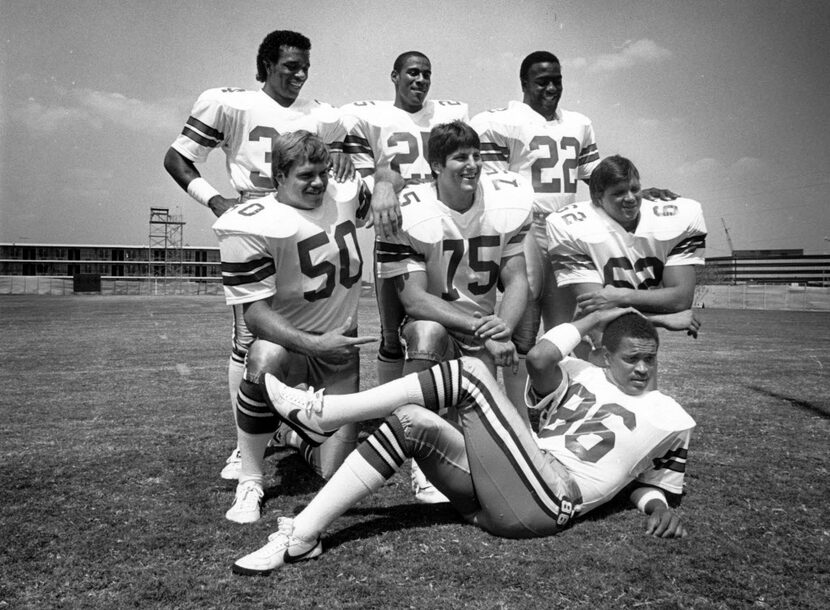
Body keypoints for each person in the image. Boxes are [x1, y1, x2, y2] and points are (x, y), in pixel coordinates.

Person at [230, 307, 694, 576]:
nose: (642, 369)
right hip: (509, 484)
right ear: (603, 353)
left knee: (471, 374)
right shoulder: (581, 372)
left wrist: (657, 506)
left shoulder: (672, 415)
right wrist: (601, 311)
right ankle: (303, 534)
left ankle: (326, 413)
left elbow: (651, 480)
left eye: (649, 359)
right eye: (631, 358)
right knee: (411, 420)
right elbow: (540, 357)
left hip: (553, 500)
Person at [163, 30, 352, 482]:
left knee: (307, 323)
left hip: (307, 221)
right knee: (249, 335)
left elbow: (343, 160)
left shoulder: (323, 115)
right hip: (257, 216)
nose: (300, 75)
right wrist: (214, 200)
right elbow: (178, 157)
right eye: (290, 66)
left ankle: (291, 426)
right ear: (266, 65)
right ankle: (245, 444)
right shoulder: (230, 104)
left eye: (306, 66)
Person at [470, 51, 676, 407]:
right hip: (526, 226)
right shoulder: (499, 122)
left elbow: (597, 180)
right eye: (542, 81)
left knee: (571, 328)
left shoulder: (579, 123)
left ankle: (567, 410)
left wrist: (637, 189)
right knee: (524, 325)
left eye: (557, 80)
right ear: (523, 84)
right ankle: (520, 420)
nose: (551, 87)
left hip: (567, 230)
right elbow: (490, 184)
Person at [212, 131, 382, 524]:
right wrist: (314, 345)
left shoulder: (345, 194)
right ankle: (250, 481)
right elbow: (255, 314)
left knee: (332, 472)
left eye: (323, 172)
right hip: (290, 348)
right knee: (262, 353)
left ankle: (291, 434)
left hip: (338, 353)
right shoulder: (254, 223)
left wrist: (386, 178)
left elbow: (388, 176)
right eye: (306, 175)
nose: (319, 182)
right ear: (279, 178)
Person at [376, 120, 531, 501]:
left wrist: (501, 329)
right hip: (442, 328)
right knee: (426, 331)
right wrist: (486, 330)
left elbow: (518, 280)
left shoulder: (503, 203)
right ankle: (420, 457)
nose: (473, 165)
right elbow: (413, 300)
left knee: (489, 453)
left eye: (477, 156)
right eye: (461, 157)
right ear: (436, 167)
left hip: (482, 336)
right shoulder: (411, 210)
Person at [341, 52, 469, 503]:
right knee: (394, 338)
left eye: (427, 73)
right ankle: (396, 423)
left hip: (443, 231)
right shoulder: (371, 117)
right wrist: (381, 179)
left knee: (432, 333)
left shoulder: (451, 114)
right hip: (398, 231)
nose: (420, 80)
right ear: (394, 76)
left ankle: (423, 442)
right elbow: (368, 177)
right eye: (412, 72)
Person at [547, 155, 707, 342]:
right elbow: (596, 313)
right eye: (619, 192)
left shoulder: (677, 218)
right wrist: (663, 318)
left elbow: (680, 299)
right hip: (593, 341)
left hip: (639, 338)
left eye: (635, 189)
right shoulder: (569, 226)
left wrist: (621, 296)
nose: (631, 198)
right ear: (598, 198)